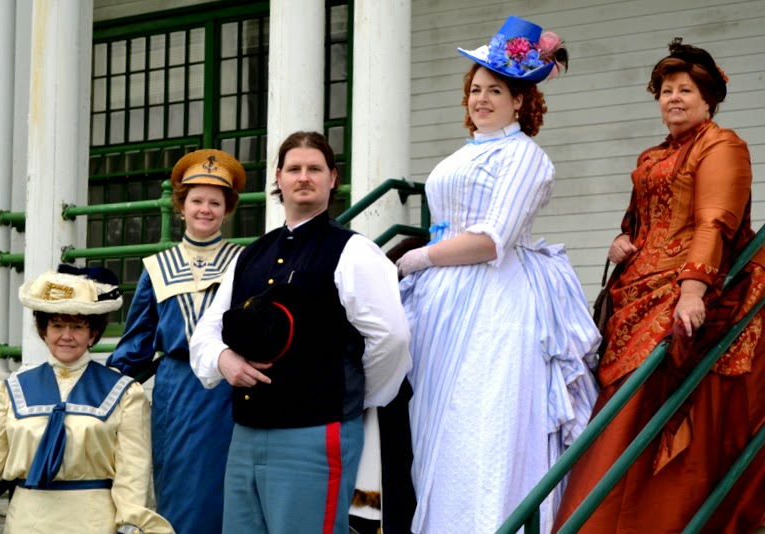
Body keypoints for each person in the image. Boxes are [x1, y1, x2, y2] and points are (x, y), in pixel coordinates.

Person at [395, 16, 601, 533]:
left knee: (482, 420)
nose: (481, 98)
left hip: (496, 301)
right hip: (442, 301)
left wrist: (420, 257)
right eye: (476, 89)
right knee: (435, 424)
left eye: (496, 91)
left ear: (520, 102)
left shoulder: (525, 156)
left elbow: (492, 239)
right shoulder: (464, 154)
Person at [552, 39, 765, 532]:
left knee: (649, 393)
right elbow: (641, 222)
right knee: (621, 400)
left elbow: (715, 222)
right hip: (641, 289)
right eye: (666, 90)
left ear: (707, 98)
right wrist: (622, 242)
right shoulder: (652, 156)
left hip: (694, 283)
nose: (674, 98)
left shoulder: (722, 144)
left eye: (685, 90)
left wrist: (692, 290)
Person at [190, 130, 412, 534]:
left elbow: (391, 338)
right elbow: (207, 330)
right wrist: (225, 360)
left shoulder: (353, 250)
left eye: (315, 168)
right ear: (278, 178)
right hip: (245, 434)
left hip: (316, 435)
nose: (303, 177)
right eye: (294, 169)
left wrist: (355, 400)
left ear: (332, 179)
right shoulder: (250, 255)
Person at [0, 265, 173, 533]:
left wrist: (132, 522)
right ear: (44, 331)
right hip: (27, 522)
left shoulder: (125, 393)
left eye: (77, 326)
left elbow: (133, 474)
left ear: (93, 334)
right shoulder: (9, 390)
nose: (66, 335)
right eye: (57, 325)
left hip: (94, 522)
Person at [106, 148, 246, 533]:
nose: (205, 209)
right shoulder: (157, 267)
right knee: (179, 488)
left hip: (229, 390)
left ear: (227, 209)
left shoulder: (244, 261)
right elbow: (136, 345)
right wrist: (102, 389)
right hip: (178, 391)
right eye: (196, 200)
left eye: (215, 202)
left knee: (228, 489)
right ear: (181, 206)